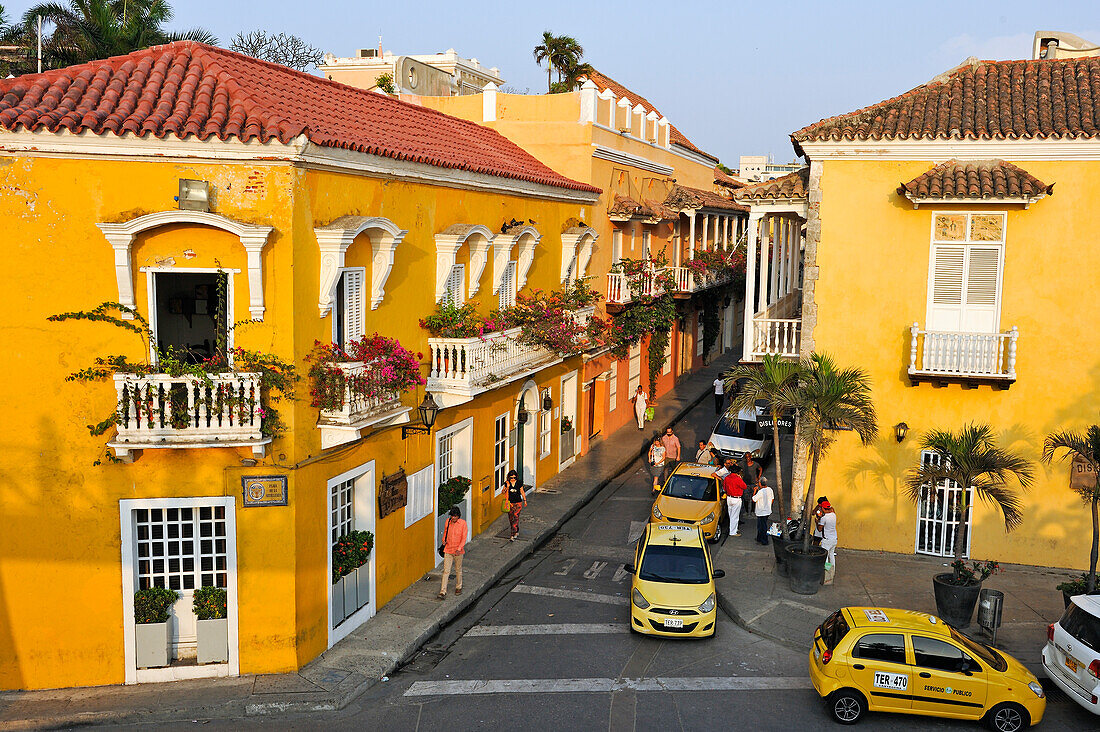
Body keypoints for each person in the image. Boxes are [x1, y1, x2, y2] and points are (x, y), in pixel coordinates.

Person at [438, 505, 467, 600]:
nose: (453, 518)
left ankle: (458, 587)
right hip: (448, 549)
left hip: (458, 551)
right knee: (446, 571)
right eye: (452, 516)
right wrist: (443, 540)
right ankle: (443, 591)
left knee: (458, 569)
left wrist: (459, 548)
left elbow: (464, 538)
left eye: (455, 516)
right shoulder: (448, 521)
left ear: (458, 516)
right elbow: (446, 531)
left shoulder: (463, 524)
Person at [818, 499, 838, 585]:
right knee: (831, 555)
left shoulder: (824, 518)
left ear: (823, 508)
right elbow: (832, 509)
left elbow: (819, 529)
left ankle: (826, 575)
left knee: (825, 557)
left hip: (827, 540)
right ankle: (832, 573)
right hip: (834, 539)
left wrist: (818, 520)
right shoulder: (834, 515)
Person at [722, 468, 747, 537]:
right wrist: (740, 478)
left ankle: (733, 529)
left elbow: (724, 487)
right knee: (735, 516)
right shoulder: (737, 479)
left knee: (731, 515)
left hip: (729, 498)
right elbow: (744, 486)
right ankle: (733, 532)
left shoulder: (727, 478)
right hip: (736, 499)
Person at [740, 452, 762, 528]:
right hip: (745, 484)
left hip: (753, 484)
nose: (748, 458)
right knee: (746, 498)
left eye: (749, 457)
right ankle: (746, 511)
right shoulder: (743, 464)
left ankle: (752, 511)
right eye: (746, 457)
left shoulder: (755, 464)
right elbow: (736, 466)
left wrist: (758, 477)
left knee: (753, 498)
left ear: (751, 457)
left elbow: (760, 468)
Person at [505, 469, 527, 542]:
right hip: (510, 503)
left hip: (518, 502)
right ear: (509, 477)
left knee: (516, 517)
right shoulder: (507, 483)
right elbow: (503, 492)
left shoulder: (519, 483)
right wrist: (507, 487)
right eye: (511, 478)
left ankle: (512, 534)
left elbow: (522, 491)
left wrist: (525, 500)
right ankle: (516, 530)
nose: (513, 479)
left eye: (514, 478)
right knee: (511, 518)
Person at [753, 477, 774, 546]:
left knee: (762, 526)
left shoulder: (760, 492)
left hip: (761, 512)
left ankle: (764, 540)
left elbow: (754, 499)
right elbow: (772, 499)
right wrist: (768, 506)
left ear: (760, 484)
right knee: (761, 525)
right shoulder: (770, 489)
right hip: (767, 511)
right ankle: (759, 538)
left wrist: (754, 491)